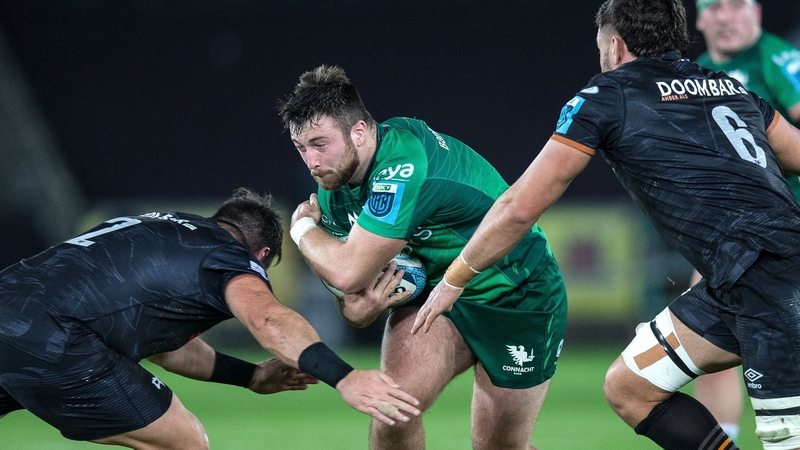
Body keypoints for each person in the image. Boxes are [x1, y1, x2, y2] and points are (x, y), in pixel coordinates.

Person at [410, 0, 800, 448]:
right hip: (736, 281)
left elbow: (519, 206)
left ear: (615, 46)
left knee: (784, 437)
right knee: (631, 386)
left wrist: (456, 277)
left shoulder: (606, 97)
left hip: (769, 284)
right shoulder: (728, 86)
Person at [280, 66, 567, 450]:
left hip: (516, 291)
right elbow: (352, 304)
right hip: (435, 293)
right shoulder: (334, 188)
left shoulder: (403, 162)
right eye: (302, 148)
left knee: (501, 447)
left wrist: (300, 230)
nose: (312, 161)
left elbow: (347, 272)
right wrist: (362, 307)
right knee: (392, 410)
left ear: (360, 132)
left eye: (320, 144)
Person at [0, 187, 420, 449]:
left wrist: (251, 377)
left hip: (11, 303)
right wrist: (344, 377)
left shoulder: (148, 228)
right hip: (54, 337)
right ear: (262, 257)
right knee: (185, 443)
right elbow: (269, 321)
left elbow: (170, 351)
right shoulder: (229, 257)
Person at [691, 0, 800, 438]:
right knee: (704, 343)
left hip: (784, 234)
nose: (725, 15)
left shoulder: (778, 58)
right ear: (698, 20)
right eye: (713, 6)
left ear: (755, 12)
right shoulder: (693, 72)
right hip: (727, 236)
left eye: (737, 4)